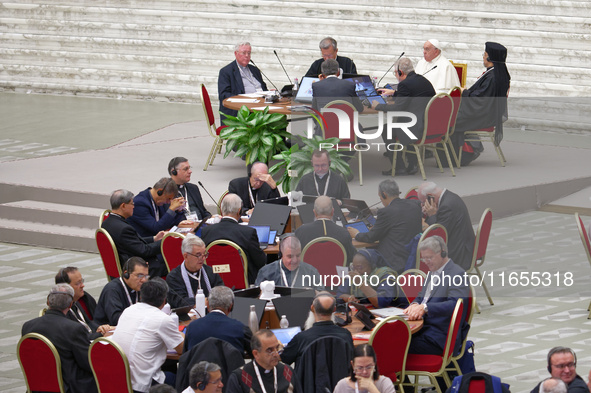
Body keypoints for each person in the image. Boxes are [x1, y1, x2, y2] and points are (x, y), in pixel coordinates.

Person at [111, 278, 184, 393]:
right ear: (164, 301)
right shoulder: (162, 319)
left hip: (122, 379)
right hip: (144, 384)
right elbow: (182, 349)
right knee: (183, 379)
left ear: (141, 297)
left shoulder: (129, 310)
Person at [21, 284, 98, 393]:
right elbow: (88, 363)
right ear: (71, 304)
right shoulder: (73, 329)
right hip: (69, 387)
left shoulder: (28, 326)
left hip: (38, 386)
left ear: (48, 302)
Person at [403, 236, 469, 357]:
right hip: (424, 330)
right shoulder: (433, 271)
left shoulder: (457, 274)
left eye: (430, 257)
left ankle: (398, 376)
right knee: (391, 340)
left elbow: (455, 305)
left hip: (440, 338)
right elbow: (422, 297)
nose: (427, 262)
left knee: (394, 346)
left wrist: (426, 308)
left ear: (443, 252)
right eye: (424, 259)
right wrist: (414, 305)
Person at [373, 57, 436, 175]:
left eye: (395, 73)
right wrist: (395, 93)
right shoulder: (423, 80)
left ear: (401, 72)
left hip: (415, 129)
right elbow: (414, 95)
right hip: (429, 126)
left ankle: (398, 167)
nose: (396, 75)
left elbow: (397, 108)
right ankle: (412, 162)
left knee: (386, 128)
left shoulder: (405, 85)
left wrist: (377, 106)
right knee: (399, 123)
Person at [453, 42, 511, 165]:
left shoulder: (493, 77)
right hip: (489, 112)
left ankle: (466, 153)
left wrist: (464, 92)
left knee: (450, 119)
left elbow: (480, 100)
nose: (483, 57)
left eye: (484, 55)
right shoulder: (498, 73)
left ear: (490, 58)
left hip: (484, 115)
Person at [348, 179, 422, 273]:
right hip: (413, 257)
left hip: (393, 261)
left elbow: (371, 237)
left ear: (384, 195)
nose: (381, 201)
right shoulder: (415, 205)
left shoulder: (386, 212)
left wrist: (357, 234)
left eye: (380, 198)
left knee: (362, 256)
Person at [201, 193, 267, 284]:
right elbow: (261, 261)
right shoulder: (248, 233)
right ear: (239, 211)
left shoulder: (206, 232)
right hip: (244, 283)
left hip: (214, 282)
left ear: (221, 209)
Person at [101, 189, 165, 276]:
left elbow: (132, 242)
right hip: (136, 268)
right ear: (123, 206)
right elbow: (144, 251)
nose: (134, 207)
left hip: (126, 261)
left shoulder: (107, 222)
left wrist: (154, 238)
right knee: (174, 265)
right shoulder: (124, 229)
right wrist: (166, 241)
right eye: (132, 204)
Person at [280, 292, 353, 365]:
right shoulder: (345, 335)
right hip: (340, 376)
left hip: (308, 376)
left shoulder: (301, 338)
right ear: (334, 309)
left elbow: (283, 360)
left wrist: (279, 348)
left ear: (312, 308)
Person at [418, 182, 475, 271]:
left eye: (423, 202)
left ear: (430, 197)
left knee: (419, 255)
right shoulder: (449, 196)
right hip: (461, 244)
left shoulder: (447, 206)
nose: (422, 205)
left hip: (459, 255)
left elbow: (438, 235)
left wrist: (432, 215)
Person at [226, 330, 301, 393]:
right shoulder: (239, 377)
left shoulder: (287, 371)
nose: (275, 354)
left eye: (277, 348)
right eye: (269, 350)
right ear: (256, 354)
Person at [184, 286, 252, 353]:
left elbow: (185, 358)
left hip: (198, 364)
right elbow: (257, 352)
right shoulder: (240, 328)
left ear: (207, 305)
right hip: (230, 364)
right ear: (231, 307)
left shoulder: (192, 327)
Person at [165, 234, 224, 309]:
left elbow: (221, 294)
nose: (203, 259)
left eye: (204, 254)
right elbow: (181, 302)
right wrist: (205, 301)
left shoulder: (210, 272)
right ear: (186, 256)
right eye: (198, 255)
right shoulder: (174, 277)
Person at [295, 195, 356, 264]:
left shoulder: (301, 231)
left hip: (309, 274)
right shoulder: (343, 232)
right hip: (336, 274)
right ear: (332, 211)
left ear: (314, 212)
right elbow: (351, 257)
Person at [54, 267, 110, 339]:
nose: (82, 285)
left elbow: (88, 323)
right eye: (78, 283)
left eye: (82, 281)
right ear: (65, 288)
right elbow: (77, 337)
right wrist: (100, 334)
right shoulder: (62, 310)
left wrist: (101, 328)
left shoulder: (78, 300)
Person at [218, 42, 268, 120]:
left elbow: (263, 88)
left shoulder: (254, 70)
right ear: (236, 53)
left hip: (260, 106)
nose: (247, 56)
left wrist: (269, 93)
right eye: (243, 53)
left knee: (279, 117)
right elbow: (224, 95)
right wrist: (244, 99)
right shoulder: (226, 71)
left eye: (249, 53)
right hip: (241, 111)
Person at [94, 257, 149, 325]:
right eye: (139, 275)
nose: (143, 280)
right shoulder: (112, 289)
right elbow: (115, 319)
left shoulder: (139, 287)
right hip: (108, 330)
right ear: (126, 274)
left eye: (146, 276)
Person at [255, 234, 323, 290]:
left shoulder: (311, 271)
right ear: (281, 255)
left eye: (298, 255)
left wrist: (314, 293)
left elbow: (322, 295)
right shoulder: (266, 272)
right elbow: (257, 297)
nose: (295, 260)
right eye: (290, 256)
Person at [168, 157, 211, 221]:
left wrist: (211, 217)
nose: (190, 171)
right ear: (174, 172)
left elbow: (203, 211)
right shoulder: (166, 191)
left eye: (189, 168)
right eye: (185, 169)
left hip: (200, 226)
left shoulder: (193, 188)